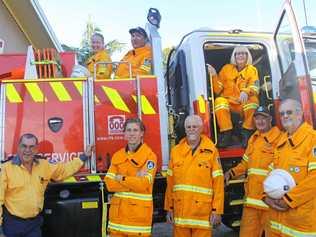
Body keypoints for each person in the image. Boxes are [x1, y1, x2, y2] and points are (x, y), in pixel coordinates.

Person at [0, 133, 94, 237]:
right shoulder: (6, 169)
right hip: (12, 225)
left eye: (31, 147)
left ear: (36, 149)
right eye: (24, 146)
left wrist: (84, 157)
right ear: (18, 147)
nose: (27, 150)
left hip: (34, 225)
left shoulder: (44, 166)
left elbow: (63, 170)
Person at [224, 106, 282, 237]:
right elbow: (245, 164)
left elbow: (282, 166)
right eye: (257, 118)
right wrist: (231, 172)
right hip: (251, 203)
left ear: (270, 119)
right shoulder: (253, 139)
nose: (260, 121)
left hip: (270, 203)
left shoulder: (279, 139)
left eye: (264, 118)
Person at [164, 115, 224, 237]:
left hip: (202, 214)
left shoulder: (211, 151)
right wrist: (169, 208)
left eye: (195, 126)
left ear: (201, 128)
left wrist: (217, 211)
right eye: (188, 127)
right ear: (185, 129)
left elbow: (218, 183)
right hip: (181, 214)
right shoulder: (175, 151)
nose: (191, 129)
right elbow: (170, 183)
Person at [264, 98, 316, 236]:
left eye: (289, 112)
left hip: (301, 224)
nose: (285, 116)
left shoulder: (312, 139)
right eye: (281, 114)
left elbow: (314, 178)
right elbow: (270, 173)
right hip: (276, 223)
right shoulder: (281, 142)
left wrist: (288, 199)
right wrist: (266, 195)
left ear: (300, 114)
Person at [104, 118, 157, 237]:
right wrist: (134, 182)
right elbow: (109, 184)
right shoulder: (117, 156)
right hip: (117, 222)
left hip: (137, 221)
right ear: (124, 134)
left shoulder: (149, 156)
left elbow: (143, 184)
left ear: (141, 133)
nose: (131, 134)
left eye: (135, 130)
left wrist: (122, 178)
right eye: (128, 130)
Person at [208, 46, 260, 148]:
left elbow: (255, 86)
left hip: (243, 102)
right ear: (234, 56)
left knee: (253, 102)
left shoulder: (252, 70)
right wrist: (214, 76)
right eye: (238, 53)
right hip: (229, 102)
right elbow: (218, 89)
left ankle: (247, 134)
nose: (240, 55)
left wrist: (246, 92)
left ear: (247, 56)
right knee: (219, 101)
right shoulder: (226, 69)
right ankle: (226, 133)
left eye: (243, 53)